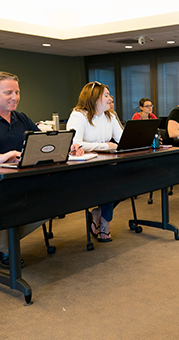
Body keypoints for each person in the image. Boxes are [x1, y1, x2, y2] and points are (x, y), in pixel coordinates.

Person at [0, 71, 83, 269]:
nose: (14, 97)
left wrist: (68, 147)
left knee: (56, 201)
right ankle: (5, 249)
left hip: (16, 178)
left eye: (17, 92)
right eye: (8, 92)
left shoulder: (21, 118)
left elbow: (43, 143)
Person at [67, 81, 123, 242]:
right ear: (94, 98)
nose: (110, 98)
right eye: (106, 95)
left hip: (106, 163)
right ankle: (105, 224)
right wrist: (105, 146)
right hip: (85, 167)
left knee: (127, 178)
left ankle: (98, 213)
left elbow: (122, 139)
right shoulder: (78, 115)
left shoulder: (110, 116)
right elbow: (75, 143)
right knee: (110, 181)